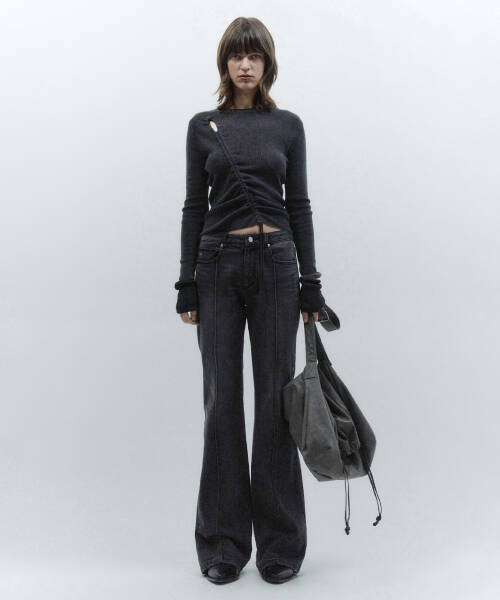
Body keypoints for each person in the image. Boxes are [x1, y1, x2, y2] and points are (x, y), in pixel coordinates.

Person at [174, 17, 327, 585]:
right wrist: (186, 282)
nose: (245, 65)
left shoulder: (288, 126)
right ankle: (223, 544)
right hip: (217, 267)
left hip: (277, 267)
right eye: (237, 56)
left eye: (254, 56)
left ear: (267, 64)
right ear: (225, 63)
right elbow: (194, 206)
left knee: (275, 403)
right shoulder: (203, 126)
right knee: (221, 405)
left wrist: (310, 281)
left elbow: (299, 204)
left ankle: (280, 546)